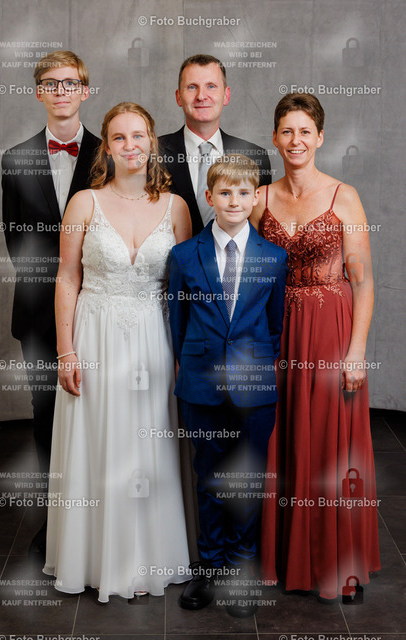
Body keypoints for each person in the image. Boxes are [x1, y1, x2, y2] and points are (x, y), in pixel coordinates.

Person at [42, 102, 192, 602]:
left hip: (155, 336)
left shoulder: (176, 207)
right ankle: (93, 558)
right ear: (106, 147)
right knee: (99, 442)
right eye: (120, 137)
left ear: (152, 142)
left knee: (150, 446)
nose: (131, 145)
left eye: (139, 135)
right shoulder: (84, 203)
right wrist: (66, 351)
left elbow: (185, 288)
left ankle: (150, 555)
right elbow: (67, 278)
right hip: (95, 335)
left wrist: (184, 353)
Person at [249, 93, 381, 602]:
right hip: (277, 334)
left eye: (305, 131)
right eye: (287, 131)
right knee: (280, 439)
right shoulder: (259, 198)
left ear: (320, 137)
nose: (296, 140)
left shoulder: (344, 196)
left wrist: (357, 351)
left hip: (330, 333)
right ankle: (287, 558)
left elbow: (362, 281)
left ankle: (334, 563)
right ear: (275, 138)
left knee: (329, 443)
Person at [168, 154, 287, 617]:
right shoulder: (184, 256)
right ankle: (210, 566)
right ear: (209, 197)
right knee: (209, 478)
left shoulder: (273, 258)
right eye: (224, 192)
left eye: (243, 193)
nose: (234, 201)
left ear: (255, 197)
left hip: (254, 389)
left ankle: (240, 567)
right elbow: (178, 324)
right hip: (202, 386)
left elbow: (274, 326)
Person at [1, 50, 100, 557]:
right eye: (51, 83)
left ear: (85, 90)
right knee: (46, 414)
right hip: (39, 313)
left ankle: (99, 522)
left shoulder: (109, 152)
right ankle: (55, 523)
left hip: (102, 308)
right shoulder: (15, 157)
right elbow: (17, 242)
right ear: (39, 92)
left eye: (71, 82)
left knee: (99, 412)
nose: (61, 91)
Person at [159, 54, 272, 236]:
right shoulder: (153, 153)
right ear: (178, 97)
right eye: (192, 87)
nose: (201, 96)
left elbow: (257, 231)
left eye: (211, 86)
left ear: (226, 95)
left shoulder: (255, 156)